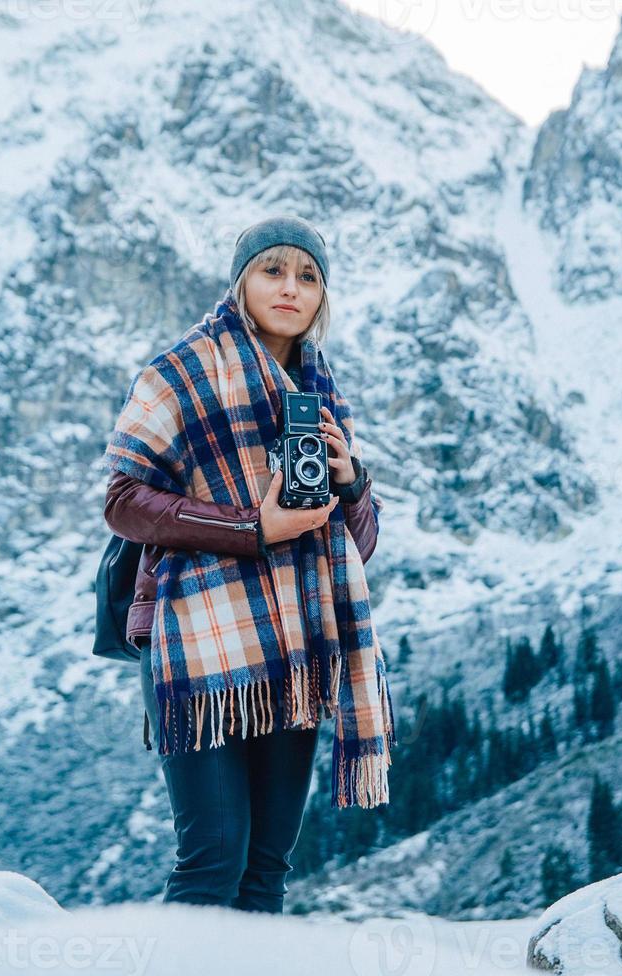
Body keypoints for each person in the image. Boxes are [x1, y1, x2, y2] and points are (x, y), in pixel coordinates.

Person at [102, 215, 397, 914]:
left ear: (322, 297)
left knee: (266, 866)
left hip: (296, 639)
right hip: (194, 632)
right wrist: (251, 528)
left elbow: (356, 546)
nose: (290, 288)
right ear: (240, 282)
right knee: (213, 857)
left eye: (308, 276)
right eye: (273, 270)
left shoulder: (321, 394)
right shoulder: (178, 373)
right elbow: (121, 500)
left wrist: (351, 479)